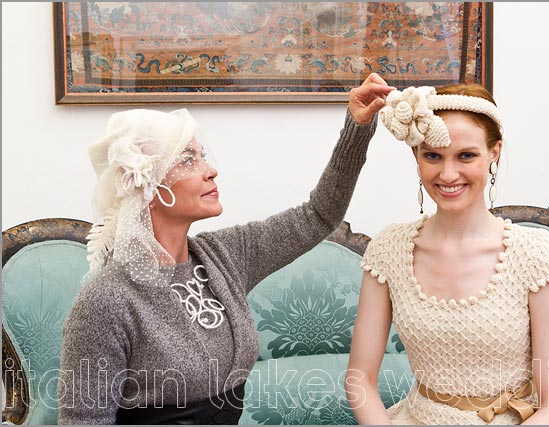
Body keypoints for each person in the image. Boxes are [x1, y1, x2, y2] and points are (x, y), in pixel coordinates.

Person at [58, 73, 395, 425]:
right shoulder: (105, 300)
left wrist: (357, 127)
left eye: (203, 156)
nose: (211, 171)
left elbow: (318, 215)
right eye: (188, 160)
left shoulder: (224, 256)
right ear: (147, 185)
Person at [345, 84, 549, 424]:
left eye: (466, 156)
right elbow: (360, 379)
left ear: (494, 152)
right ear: (416, 156)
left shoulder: (534, 254)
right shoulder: (389, 249)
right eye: (433, 155)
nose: (448, 174)